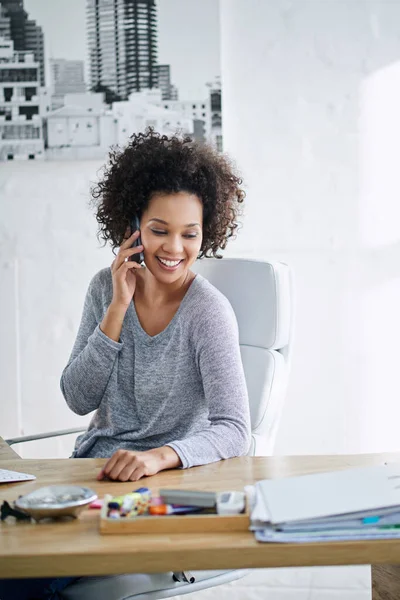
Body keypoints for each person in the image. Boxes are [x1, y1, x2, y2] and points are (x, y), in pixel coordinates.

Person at [0, 129, 251, 599]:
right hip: (94, 476)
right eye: (159, 230)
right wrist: (117, 309)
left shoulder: (208, 312)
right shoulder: (104, 287)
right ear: (133, 224)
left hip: (163, 490)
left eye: (189, 234)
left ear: (206, 232)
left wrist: (157, 457)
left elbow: (235, 428)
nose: (174, 248)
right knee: (11, 563)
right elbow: (77, 399)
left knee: (26, 582)